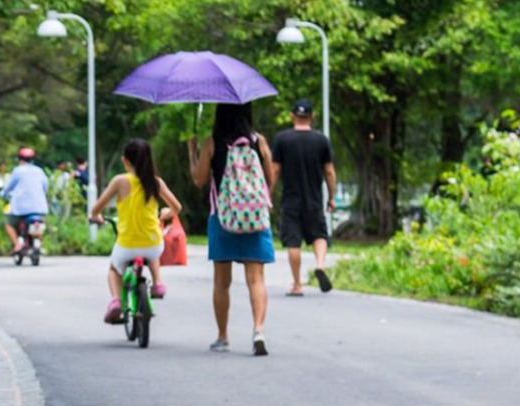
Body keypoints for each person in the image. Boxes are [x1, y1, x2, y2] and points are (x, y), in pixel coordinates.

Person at [190, 102, 276, 355]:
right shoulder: (258, 142)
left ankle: (223, 336)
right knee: (256, 278)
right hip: (255, 217)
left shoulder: (213, 142)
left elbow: (199, 179)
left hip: (223, 217)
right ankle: (258, 330)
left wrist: (192, 153)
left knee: (222, 281)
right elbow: (270, 179)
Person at [87, 139, 184, 324]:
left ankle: (115, 301)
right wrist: (165, 214)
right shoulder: (155, 181)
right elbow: (177, 207)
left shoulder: (120, 181)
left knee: (114, 270)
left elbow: (96, 208)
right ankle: (157, 284)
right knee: (152, 251)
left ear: (125, 161)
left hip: (127, 245)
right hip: (153, 244)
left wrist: (97, 216)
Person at [270, 98, 338, 295]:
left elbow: (275, 170)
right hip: (314, 199)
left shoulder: (282, 139)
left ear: (292, 116)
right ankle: (320, 264)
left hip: (291, 199)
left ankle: (297, 284)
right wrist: (331, 197)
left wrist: (268, 194)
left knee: (293, 242)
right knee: (319, 235)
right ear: (312, 117)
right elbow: (330, 172)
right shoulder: (321, 140)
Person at [0, 147, 50, 255]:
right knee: (40, 223)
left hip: (21, 208)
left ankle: (17, 245)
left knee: (9, 223)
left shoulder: (17, 171)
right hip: (40, 207)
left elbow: (8, 188)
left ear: (20, 159)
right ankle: (39, 242)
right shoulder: (39, 171)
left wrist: (2, 194)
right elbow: (46, 187)